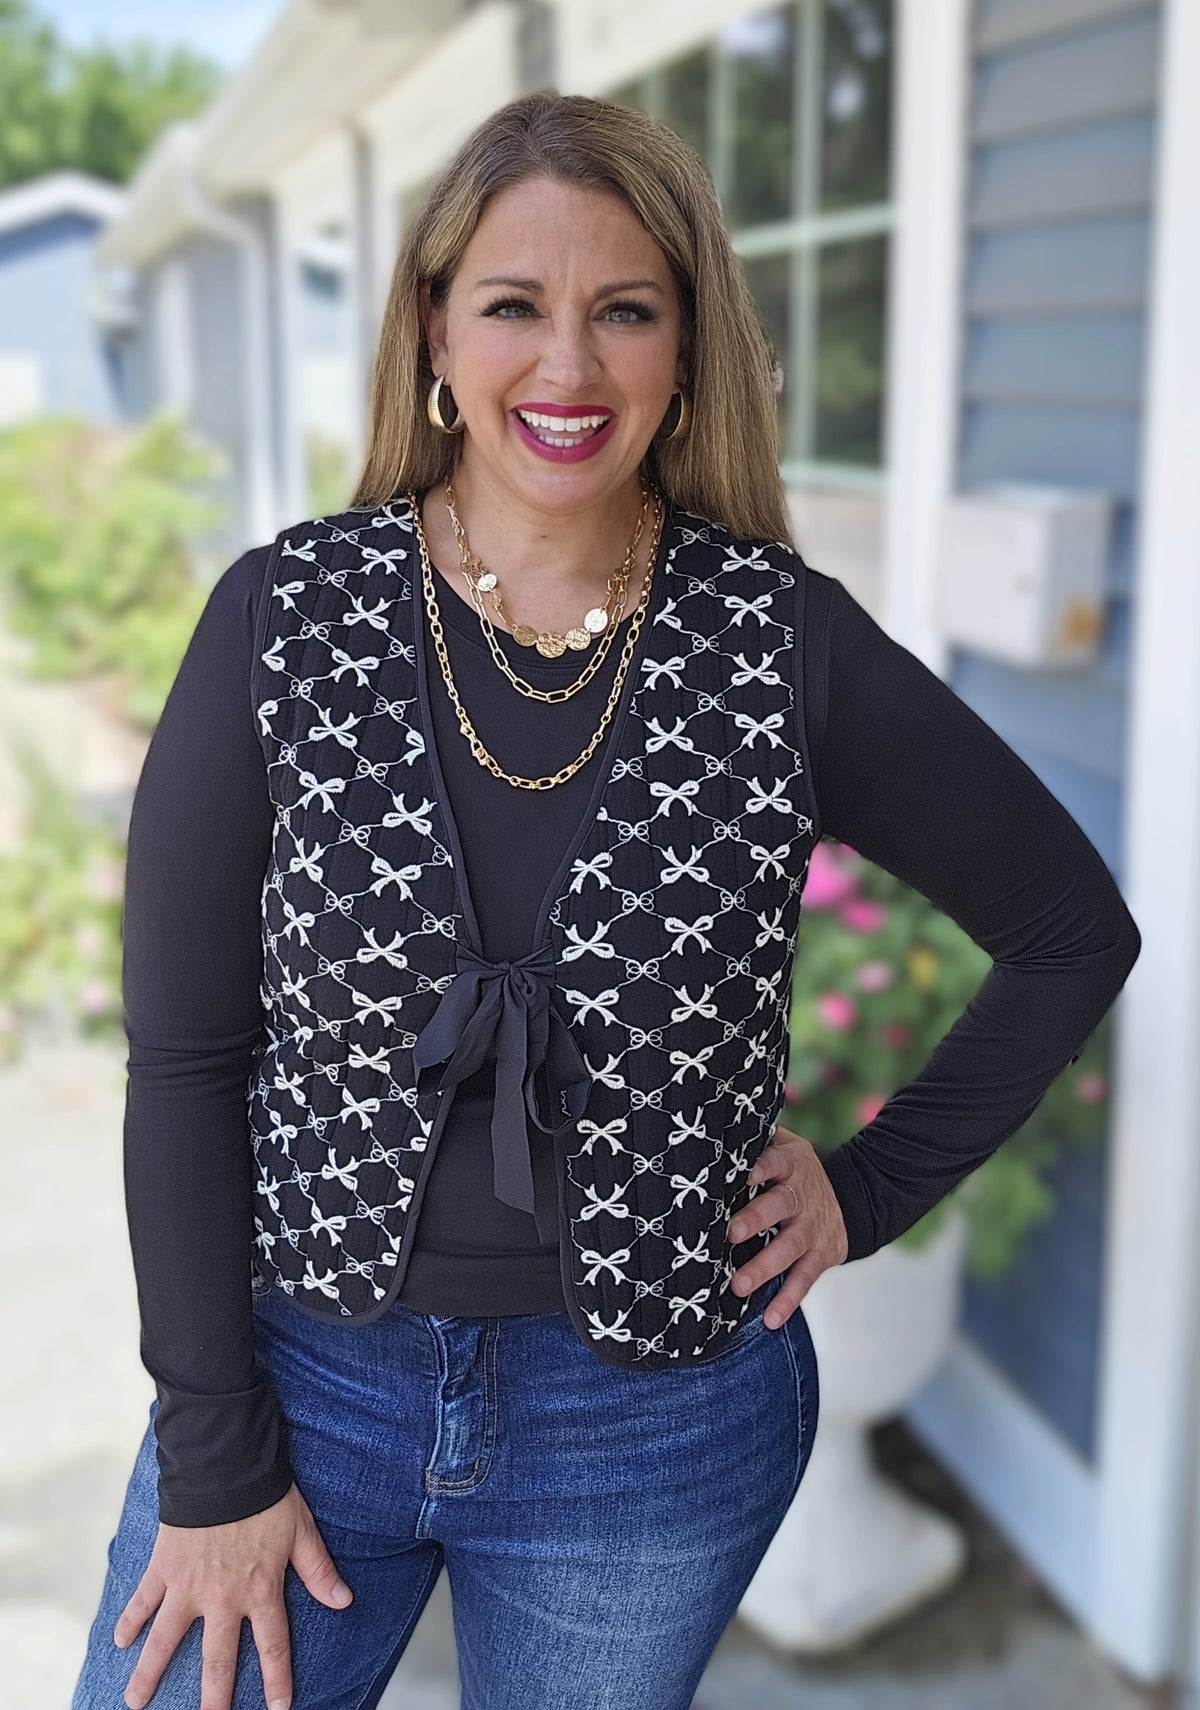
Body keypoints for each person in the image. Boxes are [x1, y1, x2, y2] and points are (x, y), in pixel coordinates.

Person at [71, 90, 1140, 1710]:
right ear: (435, 329)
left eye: (623, 311)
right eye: (514, 306)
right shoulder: (284, 618)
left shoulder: (784, 644)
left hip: (650, 1431)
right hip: (300, 1377)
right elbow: (190, 1060)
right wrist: (216, 1453)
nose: (566, 367)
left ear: (686, 348)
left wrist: (870, 1187)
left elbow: (1074, 928)